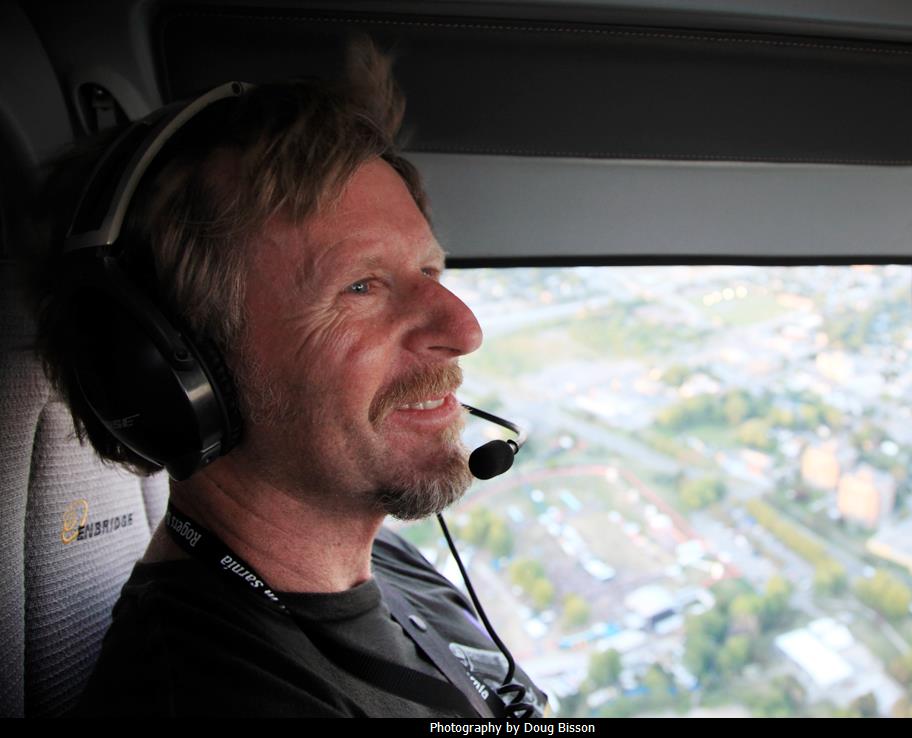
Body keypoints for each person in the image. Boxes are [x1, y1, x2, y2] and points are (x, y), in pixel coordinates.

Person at [30, 41, 546, 717]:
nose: (465, 329)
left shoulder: (387, 563)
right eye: (361, 286)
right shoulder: (219, 698)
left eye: (429, 271)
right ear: (177, 372)